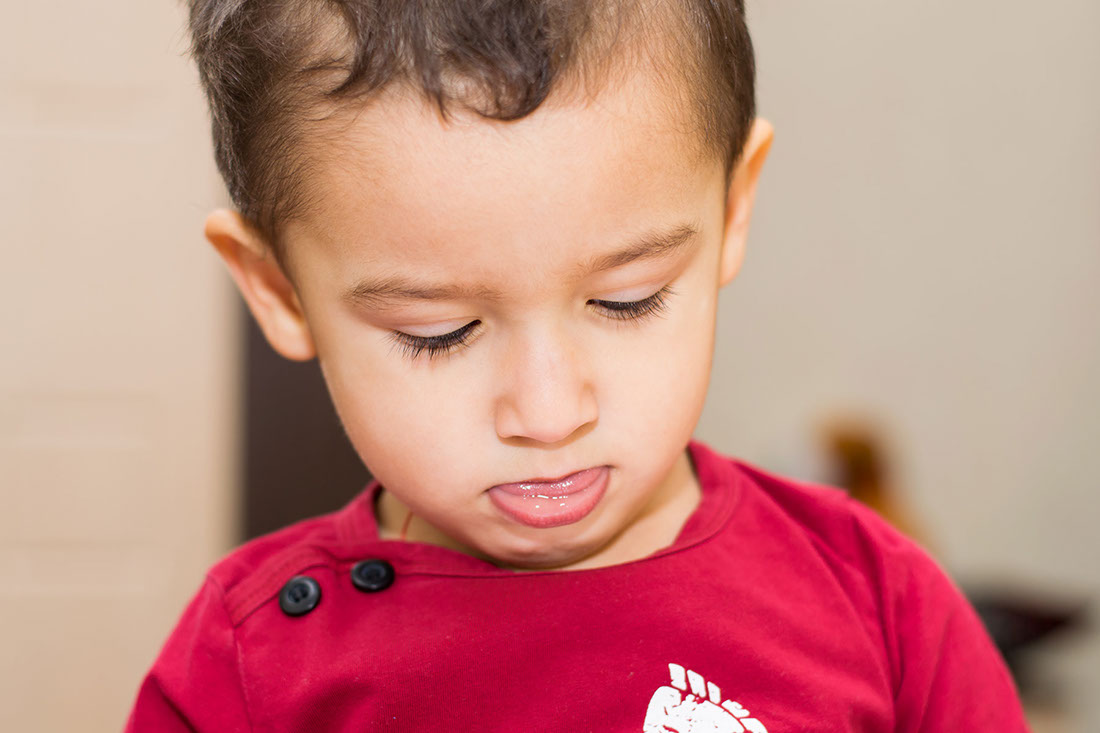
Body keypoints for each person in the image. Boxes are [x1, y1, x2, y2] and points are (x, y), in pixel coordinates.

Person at [125, 1, 1030, 730]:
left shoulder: (880, 602)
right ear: (279, 289)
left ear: (734, 205)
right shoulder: (247, 666)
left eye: (627, 300)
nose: (549, 412)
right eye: (439, 331)